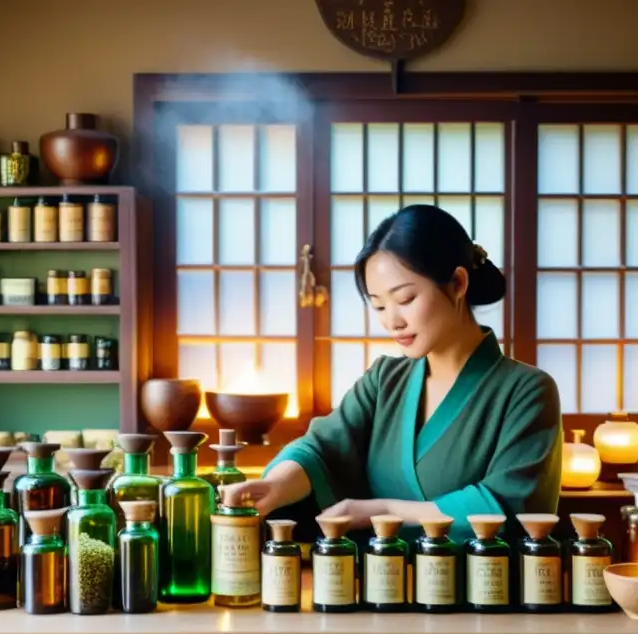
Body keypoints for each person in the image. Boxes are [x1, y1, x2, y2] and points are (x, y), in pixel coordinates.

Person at [223, 204, 562, 543]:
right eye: (380, 305)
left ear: (458, 283)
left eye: (406, 298)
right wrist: (275, 485)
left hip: (480, 588)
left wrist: (385, 511)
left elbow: (510, 504)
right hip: (378, 584)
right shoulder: (385, 380)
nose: (392, 321)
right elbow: (322, 449)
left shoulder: (527, 391)